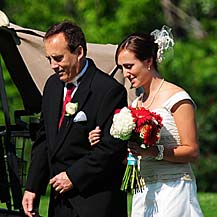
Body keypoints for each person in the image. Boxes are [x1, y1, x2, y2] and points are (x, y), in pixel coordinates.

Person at [89, 26, 204, 217]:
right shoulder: (136, 102)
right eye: (121, 68)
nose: (125, 74)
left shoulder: (177, 97)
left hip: (174, 188)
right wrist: (104, 141)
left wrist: (154, 151)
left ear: (148, 61)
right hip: (144, 191)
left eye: (129, 66)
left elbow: (192, 151)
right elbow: (134, 154)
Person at [22, 21, 128, 217]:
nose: (53, 66)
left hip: (95, 202)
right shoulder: (52, 86)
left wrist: (73, 176)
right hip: (60, 204)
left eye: (58, 58)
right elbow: (44, 140)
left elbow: (112, 148)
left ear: (79, 52)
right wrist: (33, 187)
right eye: (49, 59)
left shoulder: (109, 91)